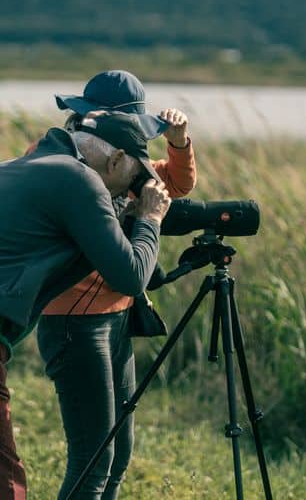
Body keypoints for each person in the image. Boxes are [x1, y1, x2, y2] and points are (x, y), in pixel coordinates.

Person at [33, 71, 197, 499]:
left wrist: (178, 142)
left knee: (119, 454)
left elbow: (176, 184)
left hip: (118, 314)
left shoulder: (122, 162)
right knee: (93, 460)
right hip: (73, 321)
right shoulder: (57, 160)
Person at [0, 109, 172, 499]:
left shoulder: (25, 165)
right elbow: (130, 276)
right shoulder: (80, 179)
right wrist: (149, 219)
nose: (121, 196)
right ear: (113, 161)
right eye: (128, 183)